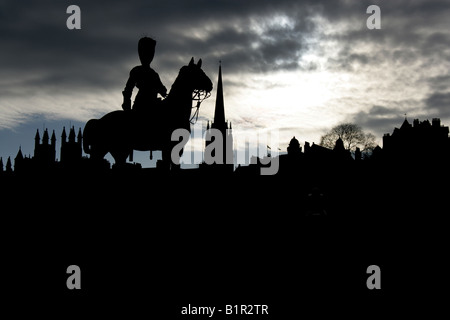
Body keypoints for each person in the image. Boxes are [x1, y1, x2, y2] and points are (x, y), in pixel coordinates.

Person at [122, 37, 167, 112]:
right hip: (141, 105)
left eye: (152, 53)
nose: (150, 56)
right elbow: (128, 90)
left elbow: (162, 90)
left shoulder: (154, 74)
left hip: (154, 105)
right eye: (148, 52)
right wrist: (127, 106)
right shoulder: (137, 71)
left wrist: (163, 91)